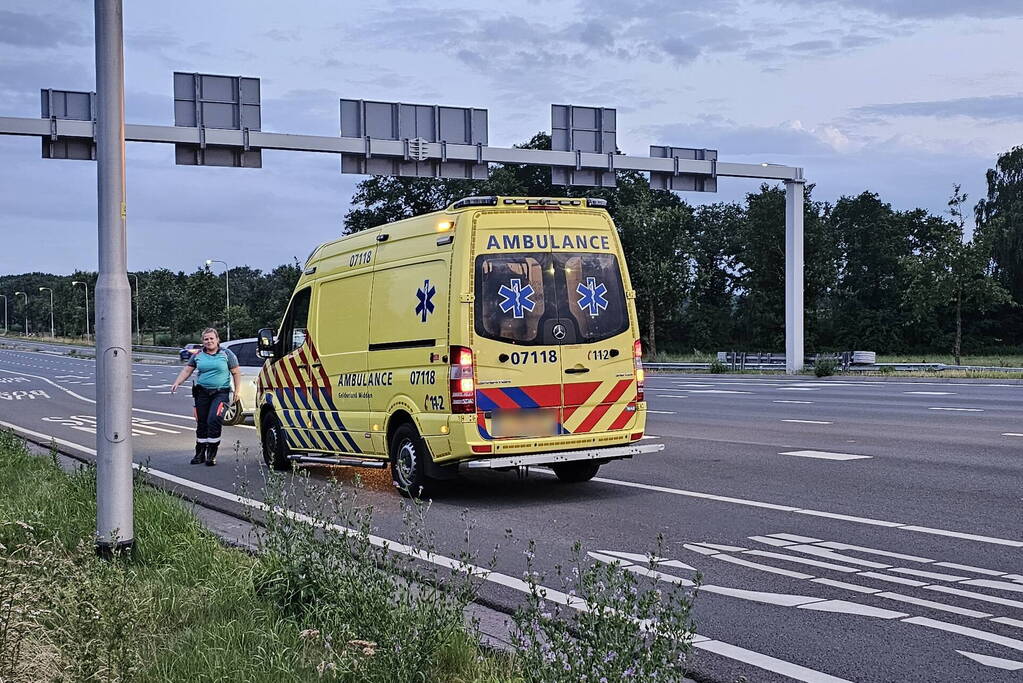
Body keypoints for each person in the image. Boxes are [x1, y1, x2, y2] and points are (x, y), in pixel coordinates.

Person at [170, 327, 241, 466]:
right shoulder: (198, 355)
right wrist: (177, 382)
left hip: (221, 392)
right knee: (201, 422)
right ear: (202, 341)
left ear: (217, 339)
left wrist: (237, 391)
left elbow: (236, 373)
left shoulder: (227, 354)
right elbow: (187, 370)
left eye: (211, 338)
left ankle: (211, 454)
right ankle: (200, 453)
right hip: (202, 392)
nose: (209, 341)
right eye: (206, 339)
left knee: (213, 419)